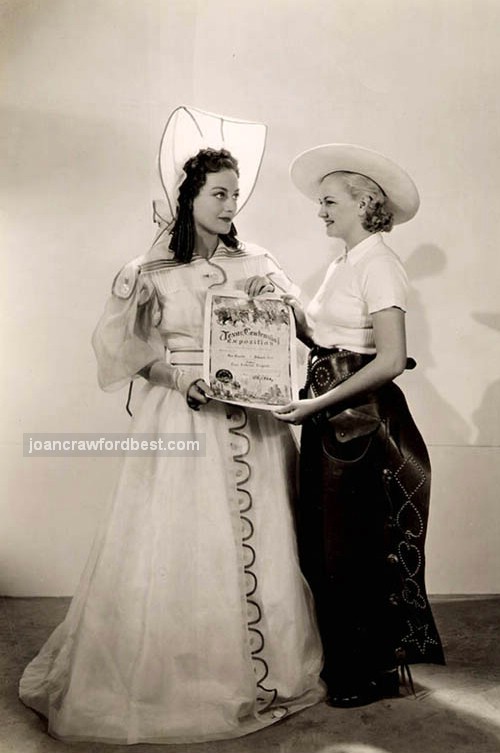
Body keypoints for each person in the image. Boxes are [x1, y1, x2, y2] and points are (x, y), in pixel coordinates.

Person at [18, 117, 324, 743]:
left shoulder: (258, 261)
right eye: (218, 192)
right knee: (183, 540)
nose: (230, 204)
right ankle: (186, 673)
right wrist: (178, 378)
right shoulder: (150, 270)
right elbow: (123, 352)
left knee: (262, 535)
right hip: (183, 419)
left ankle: (265, 671)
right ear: (188, 197)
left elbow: (299, 326)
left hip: (253, 423)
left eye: (235, 193)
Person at [274, 144, 445, 708]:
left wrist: (318, 405)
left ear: (363, 201)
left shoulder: (379, 264)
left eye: (328, 202)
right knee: (327, 543)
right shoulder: (345, 263)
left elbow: (391, 359)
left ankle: (368, 672)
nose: (319, 211)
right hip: (329, 411)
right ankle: (348, 664)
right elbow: (326, 338)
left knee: (353, 546)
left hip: (360, 419)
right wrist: (281, 307)